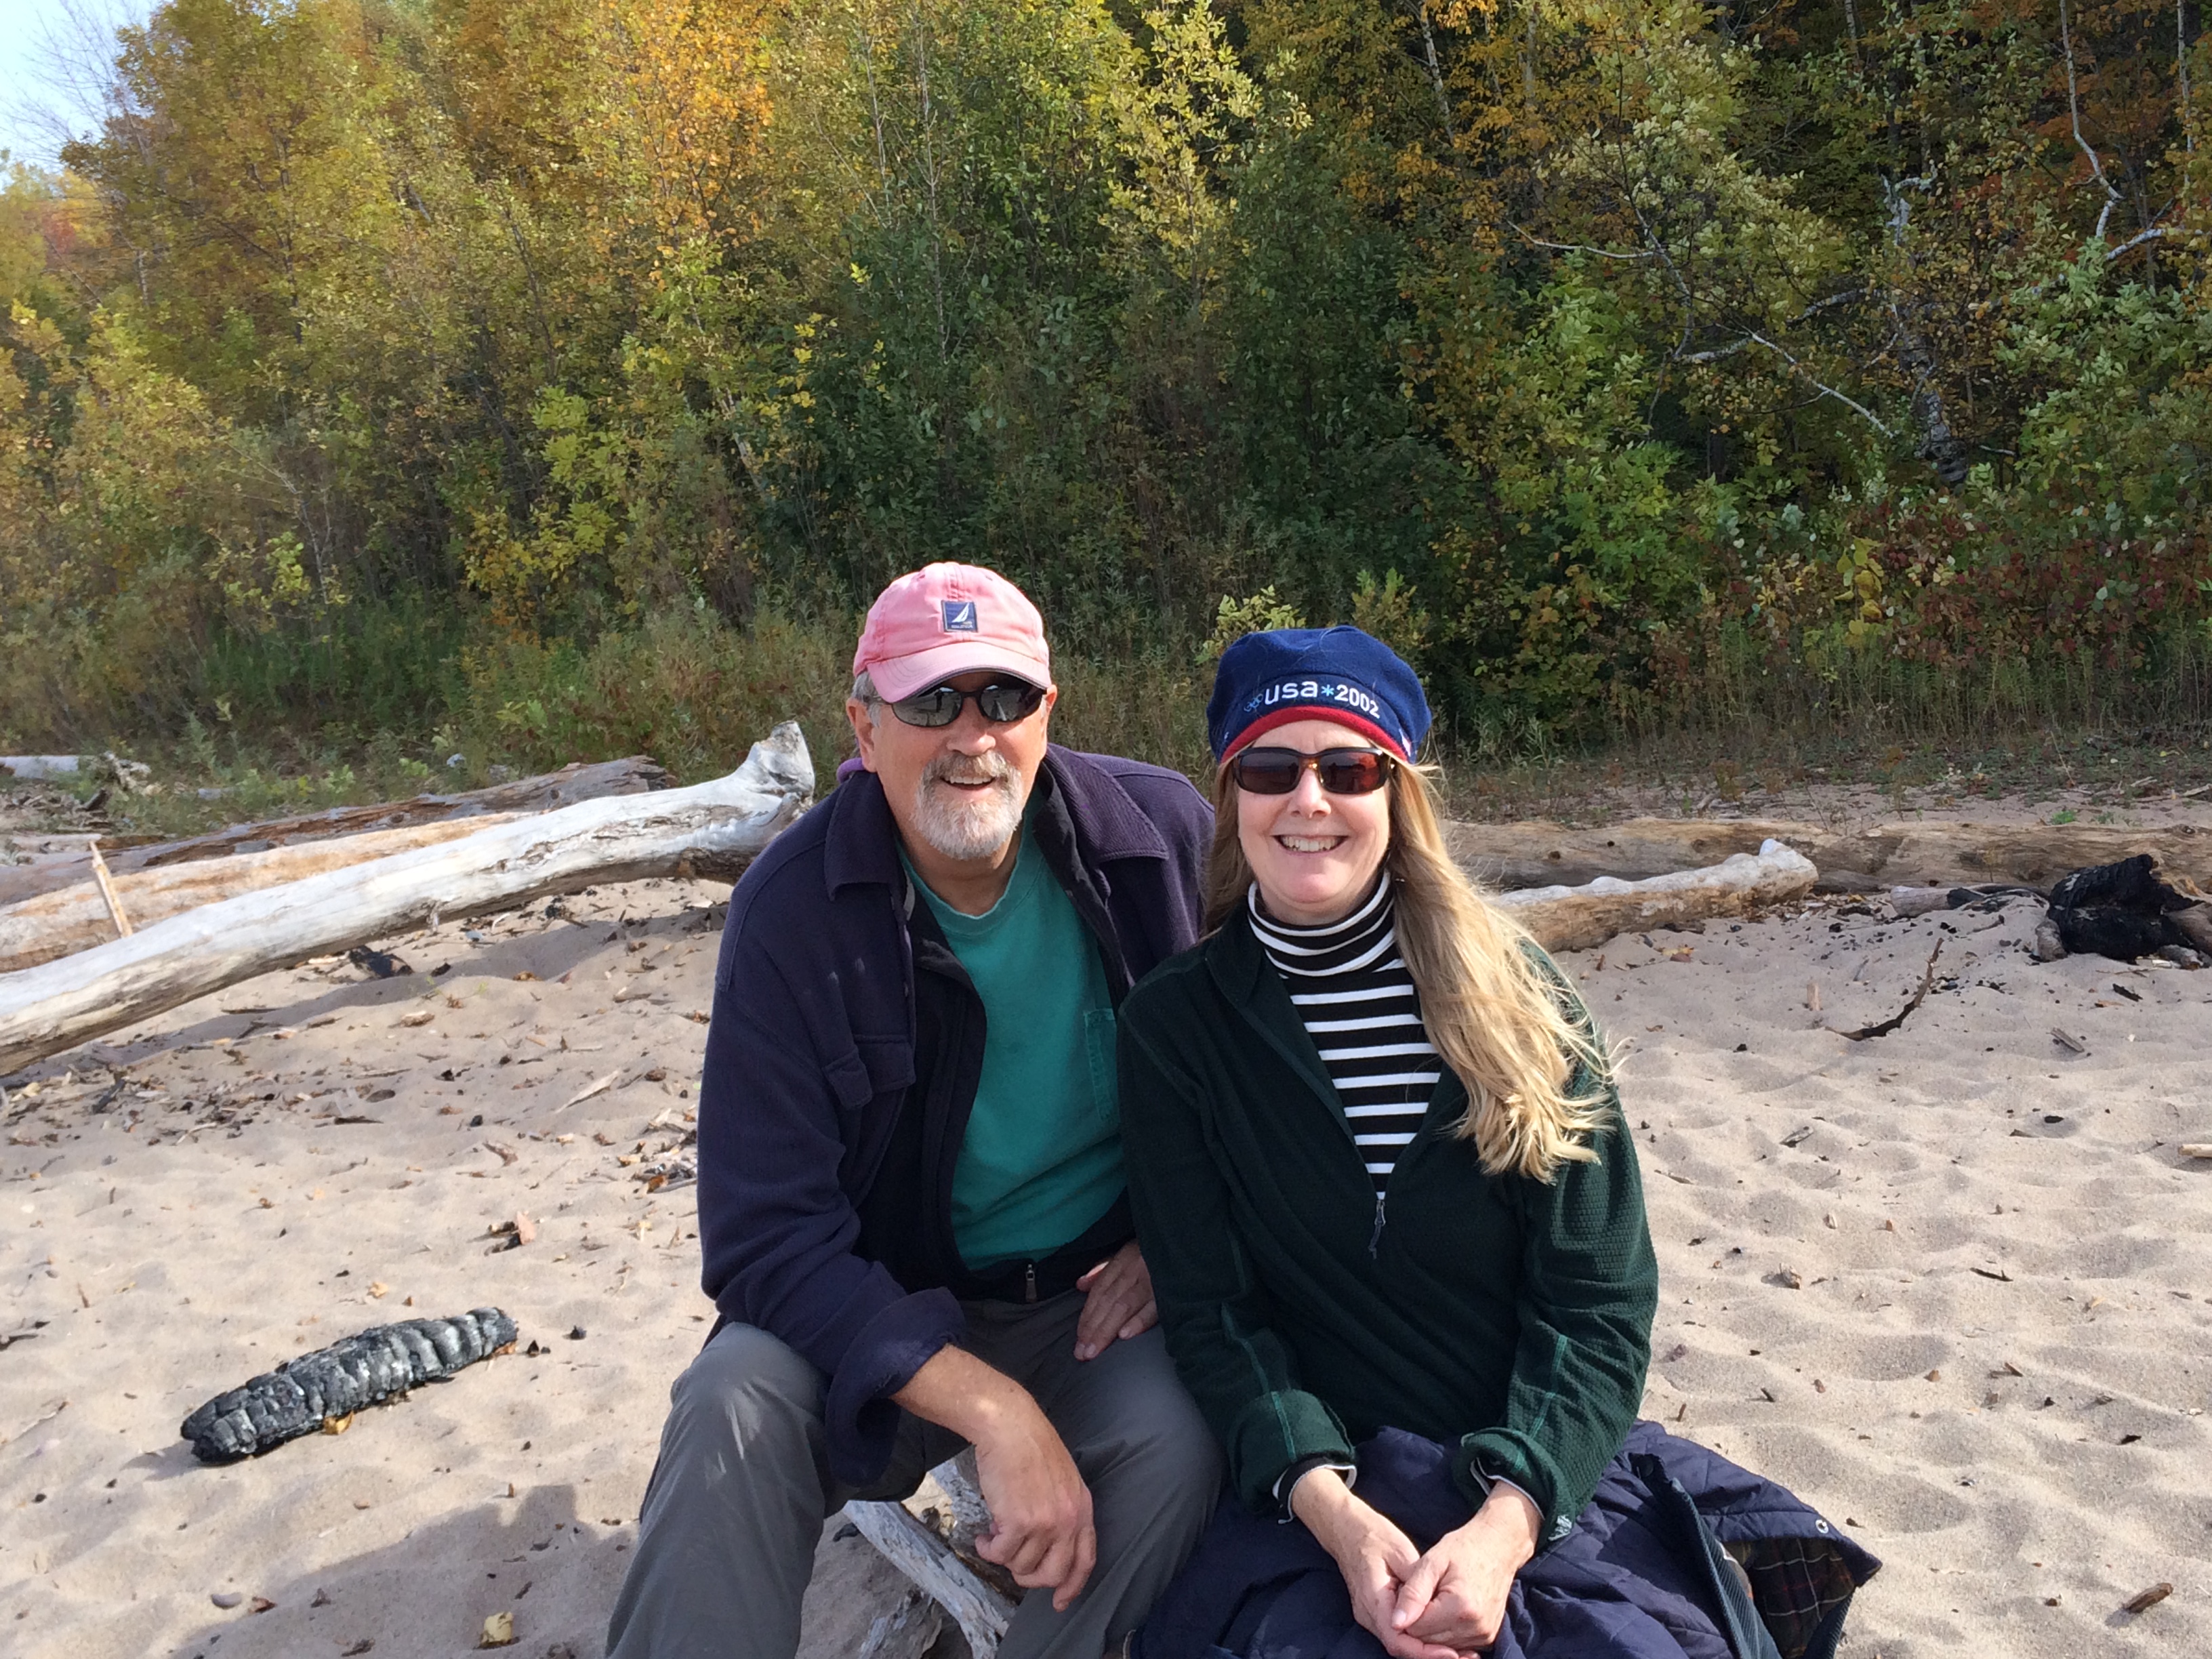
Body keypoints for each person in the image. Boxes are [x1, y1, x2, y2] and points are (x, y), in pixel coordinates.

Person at [1116, 628, 1879, 1659]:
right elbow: (1216, 1318)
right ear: (1230, 793)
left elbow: (1598, 1308)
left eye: (1348, 769)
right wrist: (1336, 1516)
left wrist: (1505, 1528)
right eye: (1270, 768)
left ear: (1397, 793)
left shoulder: (1518, 999)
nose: (1308, 799)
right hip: (1318, 1490)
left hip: (1527, 1470)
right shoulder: (1175, 1026)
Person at [607, 564, 1224, 1659]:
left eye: (1004, 698)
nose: (971, 735)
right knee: (731, 1401)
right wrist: (992, 1410)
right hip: (887, 1304)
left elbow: (1265, 1075)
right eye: (932, 700)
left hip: (1090, 1306)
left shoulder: (1158, 839)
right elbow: (764, 1241)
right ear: (865, 723)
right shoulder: (791, 911)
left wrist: (1174, 1241)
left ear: (1049, 712)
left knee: (1182, 1445)